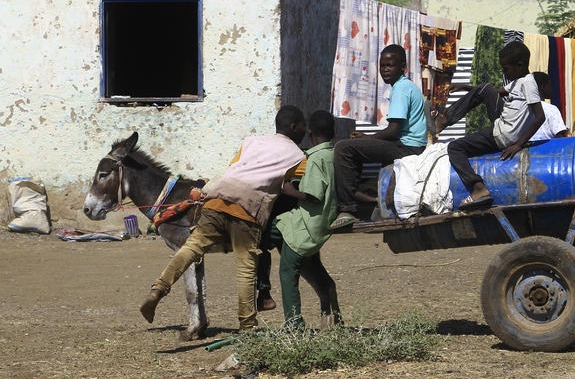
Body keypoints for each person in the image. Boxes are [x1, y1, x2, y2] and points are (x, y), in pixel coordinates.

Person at [139, 105, 307, 331]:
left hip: (216, 198)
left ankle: (157, 289)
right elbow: (306, 179)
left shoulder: (251, 141)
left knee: (190, 248)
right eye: (304, 126)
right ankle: (247, 326)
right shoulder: (297, 155)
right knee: (246, 265)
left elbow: (236, 167)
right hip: (247, 208)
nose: (306, 130)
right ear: (295, 127)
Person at [434, 41, 546, 210]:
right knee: (485, 88)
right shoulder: (518, 81)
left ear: (520, 65)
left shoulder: (529, 84)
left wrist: (519, 144)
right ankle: (443, 121)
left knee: (455, 148)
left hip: (503, 135)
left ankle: (478, 188)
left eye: (506, 68)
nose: (504, 72)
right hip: (502, 123)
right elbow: (491, 92)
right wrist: (465, 87)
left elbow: (540, 117)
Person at [330, 44, 428, 229]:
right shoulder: (406, 86)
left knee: (343, 148)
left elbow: (393, 131)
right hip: (408, 144)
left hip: (407, 147)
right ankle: (367, 203)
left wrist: (367, 137)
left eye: (390, 65)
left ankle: (348, 209)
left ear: (403, 67)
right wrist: (366, 137)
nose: (385, 70)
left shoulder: (400, 89)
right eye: (382, 65)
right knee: (356, 148)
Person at [264, 110, 338, 328]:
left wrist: (291, 192)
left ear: (310, 132)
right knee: (273, 231)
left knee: (287, 270)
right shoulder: (333, 155)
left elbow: (315, 196)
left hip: (308, 223)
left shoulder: (315, 160)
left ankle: (293, 323)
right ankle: (334, 317)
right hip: (322, 220)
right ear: (334, 132)